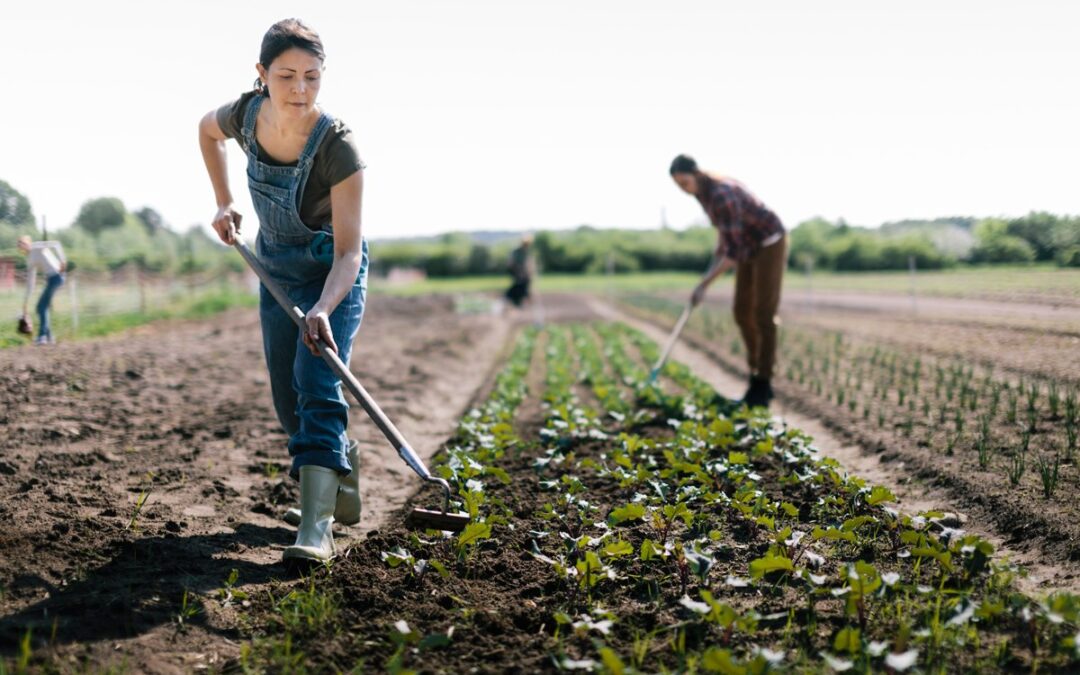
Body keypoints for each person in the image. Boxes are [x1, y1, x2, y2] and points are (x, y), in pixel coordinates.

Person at [198, 18, 368, 566]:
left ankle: (316, 529)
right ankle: (340, 461)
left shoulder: (339, 148)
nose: (300, 89)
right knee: (287, 397)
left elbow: (348, 254)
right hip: (276, 271)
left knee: (316, 380)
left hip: (330, 278)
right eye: (288, 76)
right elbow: (205, 130)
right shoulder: (246, 116)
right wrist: (224, 200)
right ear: (262, 74)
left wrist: (322, 308)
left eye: (313, 77)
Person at [669, 154, 787, 409]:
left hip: (769, 242)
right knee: (742, 312)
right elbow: (726, 236)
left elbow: (732, 254)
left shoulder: (722, 193)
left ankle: (763, 384)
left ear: (697, 174)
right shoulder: (702, 194)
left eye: (684, 182)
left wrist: (704, 285)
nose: (683, 189)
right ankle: (755, 371)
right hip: (747, 246)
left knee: (763, 314)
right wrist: (710, 266)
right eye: (678, 185)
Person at [17, 235, 67, 346]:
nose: (23, 246)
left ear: (28, 242)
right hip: (51, 279)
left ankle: (42, 336)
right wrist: (25, 301)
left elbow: (56, 244)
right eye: (20, 245)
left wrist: (63, 261)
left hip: (57, 276)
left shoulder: (37, 246)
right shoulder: (30, 260)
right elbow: (31, 282)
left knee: (41, 307)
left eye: (23, 243)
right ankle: (49, 338)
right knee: (41, 308)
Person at [505, 233, 534, 308]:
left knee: (524, 283)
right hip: (515, 271)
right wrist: (519, 272)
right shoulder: (517, 252)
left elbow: (528, 263)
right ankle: (515, 299)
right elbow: (511, 263)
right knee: (520, 284)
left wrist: (528, 272)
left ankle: (519, 299)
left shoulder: (525, 252)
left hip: (521, 272)